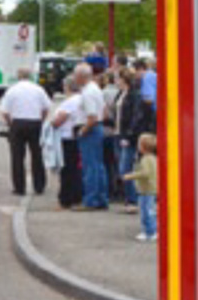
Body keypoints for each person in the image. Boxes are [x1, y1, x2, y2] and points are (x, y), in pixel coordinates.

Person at [0, 67, 53, 196]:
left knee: (17, 156)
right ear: (30, 76)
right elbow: (46, 107)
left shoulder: (12, 90)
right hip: (35, 122)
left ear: (18, 76)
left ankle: (19, 187)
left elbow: (4, 111)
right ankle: (39, 186)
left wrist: (10, 123)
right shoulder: (38, 89)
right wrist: (41, 120)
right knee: (37, 155)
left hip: (18, 123)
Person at [73, 63, 109, 211]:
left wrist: (83, 130)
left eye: (75, 75)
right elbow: (104, 111)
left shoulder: (87, 92)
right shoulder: (96, 89)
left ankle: (90, 200)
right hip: (98, 128)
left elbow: (92, 117)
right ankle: (101, 198)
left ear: (82, 76)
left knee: (90, 167)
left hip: (91, 131)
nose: (74, 78)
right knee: (98, 166)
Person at [51, 76, 84, 209]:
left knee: (67, 169)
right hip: (75, 137)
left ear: (68, 87)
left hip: (67, 137)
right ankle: (76, 196)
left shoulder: (69, 102)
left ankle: (65, 198)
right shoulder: (81, 99)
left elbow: (59, 120)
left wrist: (51, 124)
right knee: (75, 169)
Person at [123, 133, 159, 242]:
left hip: (146, 189)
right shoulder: (152, 158)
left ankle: (150, 232)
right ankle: (150, 231)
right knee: (148, 211)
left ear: (143, 147)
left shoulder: (146, 159)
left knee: (146, 212)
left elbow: (145, 173)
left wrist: (130, 176)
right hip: (149, 189)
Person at [115, 69, 140, 211]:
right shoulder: (121, 94)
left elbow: (135, 117)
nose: (116, 82)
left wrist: (129, 136)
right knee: (123, 166)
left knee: (125, 167)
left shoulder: (133, 96)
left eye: (118, 79)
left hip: (127, 136)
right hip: (119, 134)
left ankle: (132, 199)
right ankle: (129, 198)